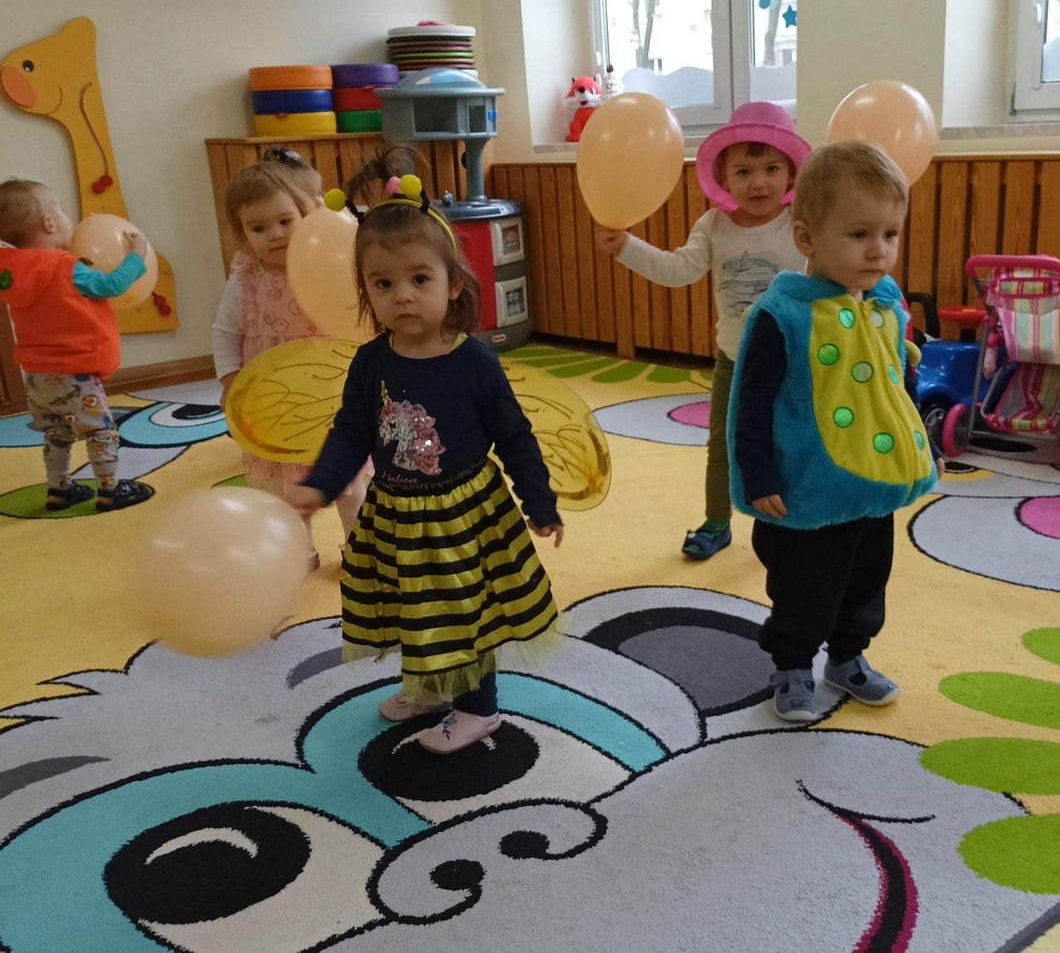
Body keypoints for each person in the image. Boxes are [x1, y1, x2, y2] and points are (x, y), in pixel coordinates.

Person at [285, 153, 564, 755]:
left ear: (452, 283)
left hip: (463, 515)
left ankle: (479, 709)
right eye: (383, 284)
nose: (402, 297)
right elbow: (350, 432)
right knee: (416, 606)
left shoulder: (474, 362)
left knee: (464, 612)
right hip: (397, 512)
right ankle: (432, 687)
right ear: (365, 291)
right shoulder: (371, 363)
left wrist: (539, 501)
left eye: (419, 279)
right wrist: (320, 484)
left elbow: (515, 435)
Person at [728, 141, 942, 722]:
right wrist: (757, 475)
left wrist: (921, 444)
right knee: (804, 588)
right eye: (859, 234)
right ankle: (793, 664)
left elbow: (897, 388)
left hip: (872, 480)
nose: (879, 250)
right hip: (807, 488)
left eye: (890, 233)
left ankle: (847, 657)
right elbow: (750, 404)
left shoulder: (888, 304)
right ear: (807, 238)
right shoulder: (783, 314)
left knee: (868, 581)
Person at [595, 102, 810, 560]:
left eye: (771, 169)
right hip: (734, 361)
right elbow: (678, 270)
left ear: (791, 173)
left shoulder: (801, 224)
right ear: (724, 177)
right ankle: (717, 521)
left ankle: (793, 521)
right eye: (743, 171)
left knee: (791, 442)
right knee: (722, 445)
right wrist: (627, 246)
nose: (758, 182)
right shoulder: (713, 225)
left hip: (794, 363)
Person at [212, 151, 367, 568]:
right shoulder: (245, 279)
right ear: (242, 233)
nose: (275, 235)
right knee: (281, 485)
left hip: (327, 395)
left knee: (348, 477)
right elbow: (225, 333)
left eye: (285, 221)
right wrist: (230, 383)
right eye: (258, 228)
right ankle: (299, 552)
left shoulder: (327, 261)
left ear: (307, 214)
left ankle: (361, 548)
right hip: (270, 400)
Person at [0, 179, 152, 512]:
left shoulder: (10, 272)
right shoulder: (67, 269)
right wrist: (136, 256)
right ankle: (110, 490)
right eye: (63, 210)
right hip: (75, 376)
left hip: (36, 377)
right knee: (100, 431)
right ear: (49, 223)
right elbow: (111, 285)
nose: (67, 216)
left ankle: (60, 489)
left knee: (56, 434)